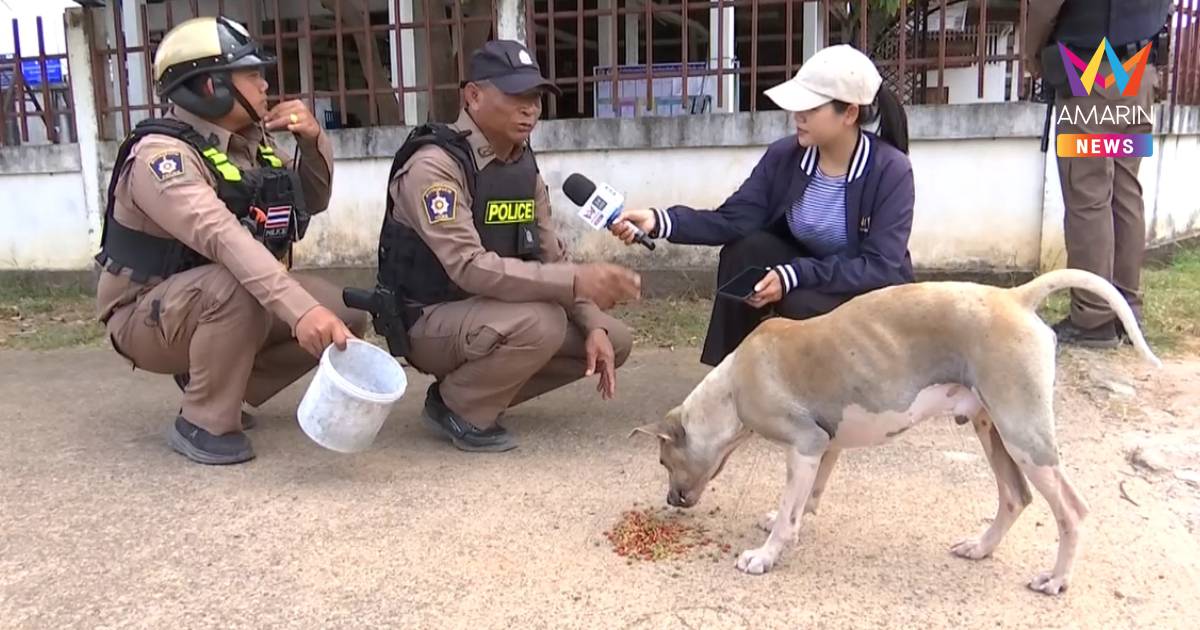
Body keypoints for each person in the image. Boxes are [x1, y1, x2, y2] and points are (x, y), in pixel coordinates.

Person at [93, 16, 368, 465]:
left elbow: (311, 201)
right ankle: (204, 419)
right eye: (252, 74)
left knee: (349, 314)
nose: (265, 84)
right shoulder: (163, 158)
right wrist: (301, 313)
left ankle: (219, 376)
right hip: (143, 314)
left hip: (210, 299)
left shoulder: (248, 144)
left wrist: (313, 141)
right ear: (209, 86)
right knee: (241, 288)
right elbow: (223, 240)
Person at [375, 40, 641, 453]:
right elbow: (470, 267)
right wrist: (575, 281)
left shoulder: (522, 164)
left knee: (612, 337)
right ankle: (457, 405)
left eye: (535, 97)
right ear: (473, 96)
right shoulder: (435, 165)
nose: (530, 108)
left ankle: (479, 390)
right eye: (516, 96)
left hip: (496, 314)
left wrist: (591, 320)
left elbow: (550, 252)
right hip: (430, 318)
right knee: (542, 322)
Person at [612, 44, 915, 367]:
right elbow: (735, 218)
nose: (797, 117)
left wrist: (793, 275)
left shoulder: (890, 170)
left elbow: (879, 266)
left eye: (810, 108)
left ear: (850, 113)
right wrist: (660, 221)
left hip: (868, 291)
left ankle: (818, 389)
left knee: (798, 301)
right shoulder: (784, 156)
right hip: (808, 273)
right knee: (744, 252)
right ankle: (728, 374)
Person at [1024, 0, 1172, 348]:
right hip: (1139, 73)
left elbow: (1046, 7)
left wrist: (1032, 54)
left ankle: (1094, 319)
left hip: (1090, 73)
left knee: (1088, 194)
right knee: (1125, 191)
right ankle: (1126, 309)